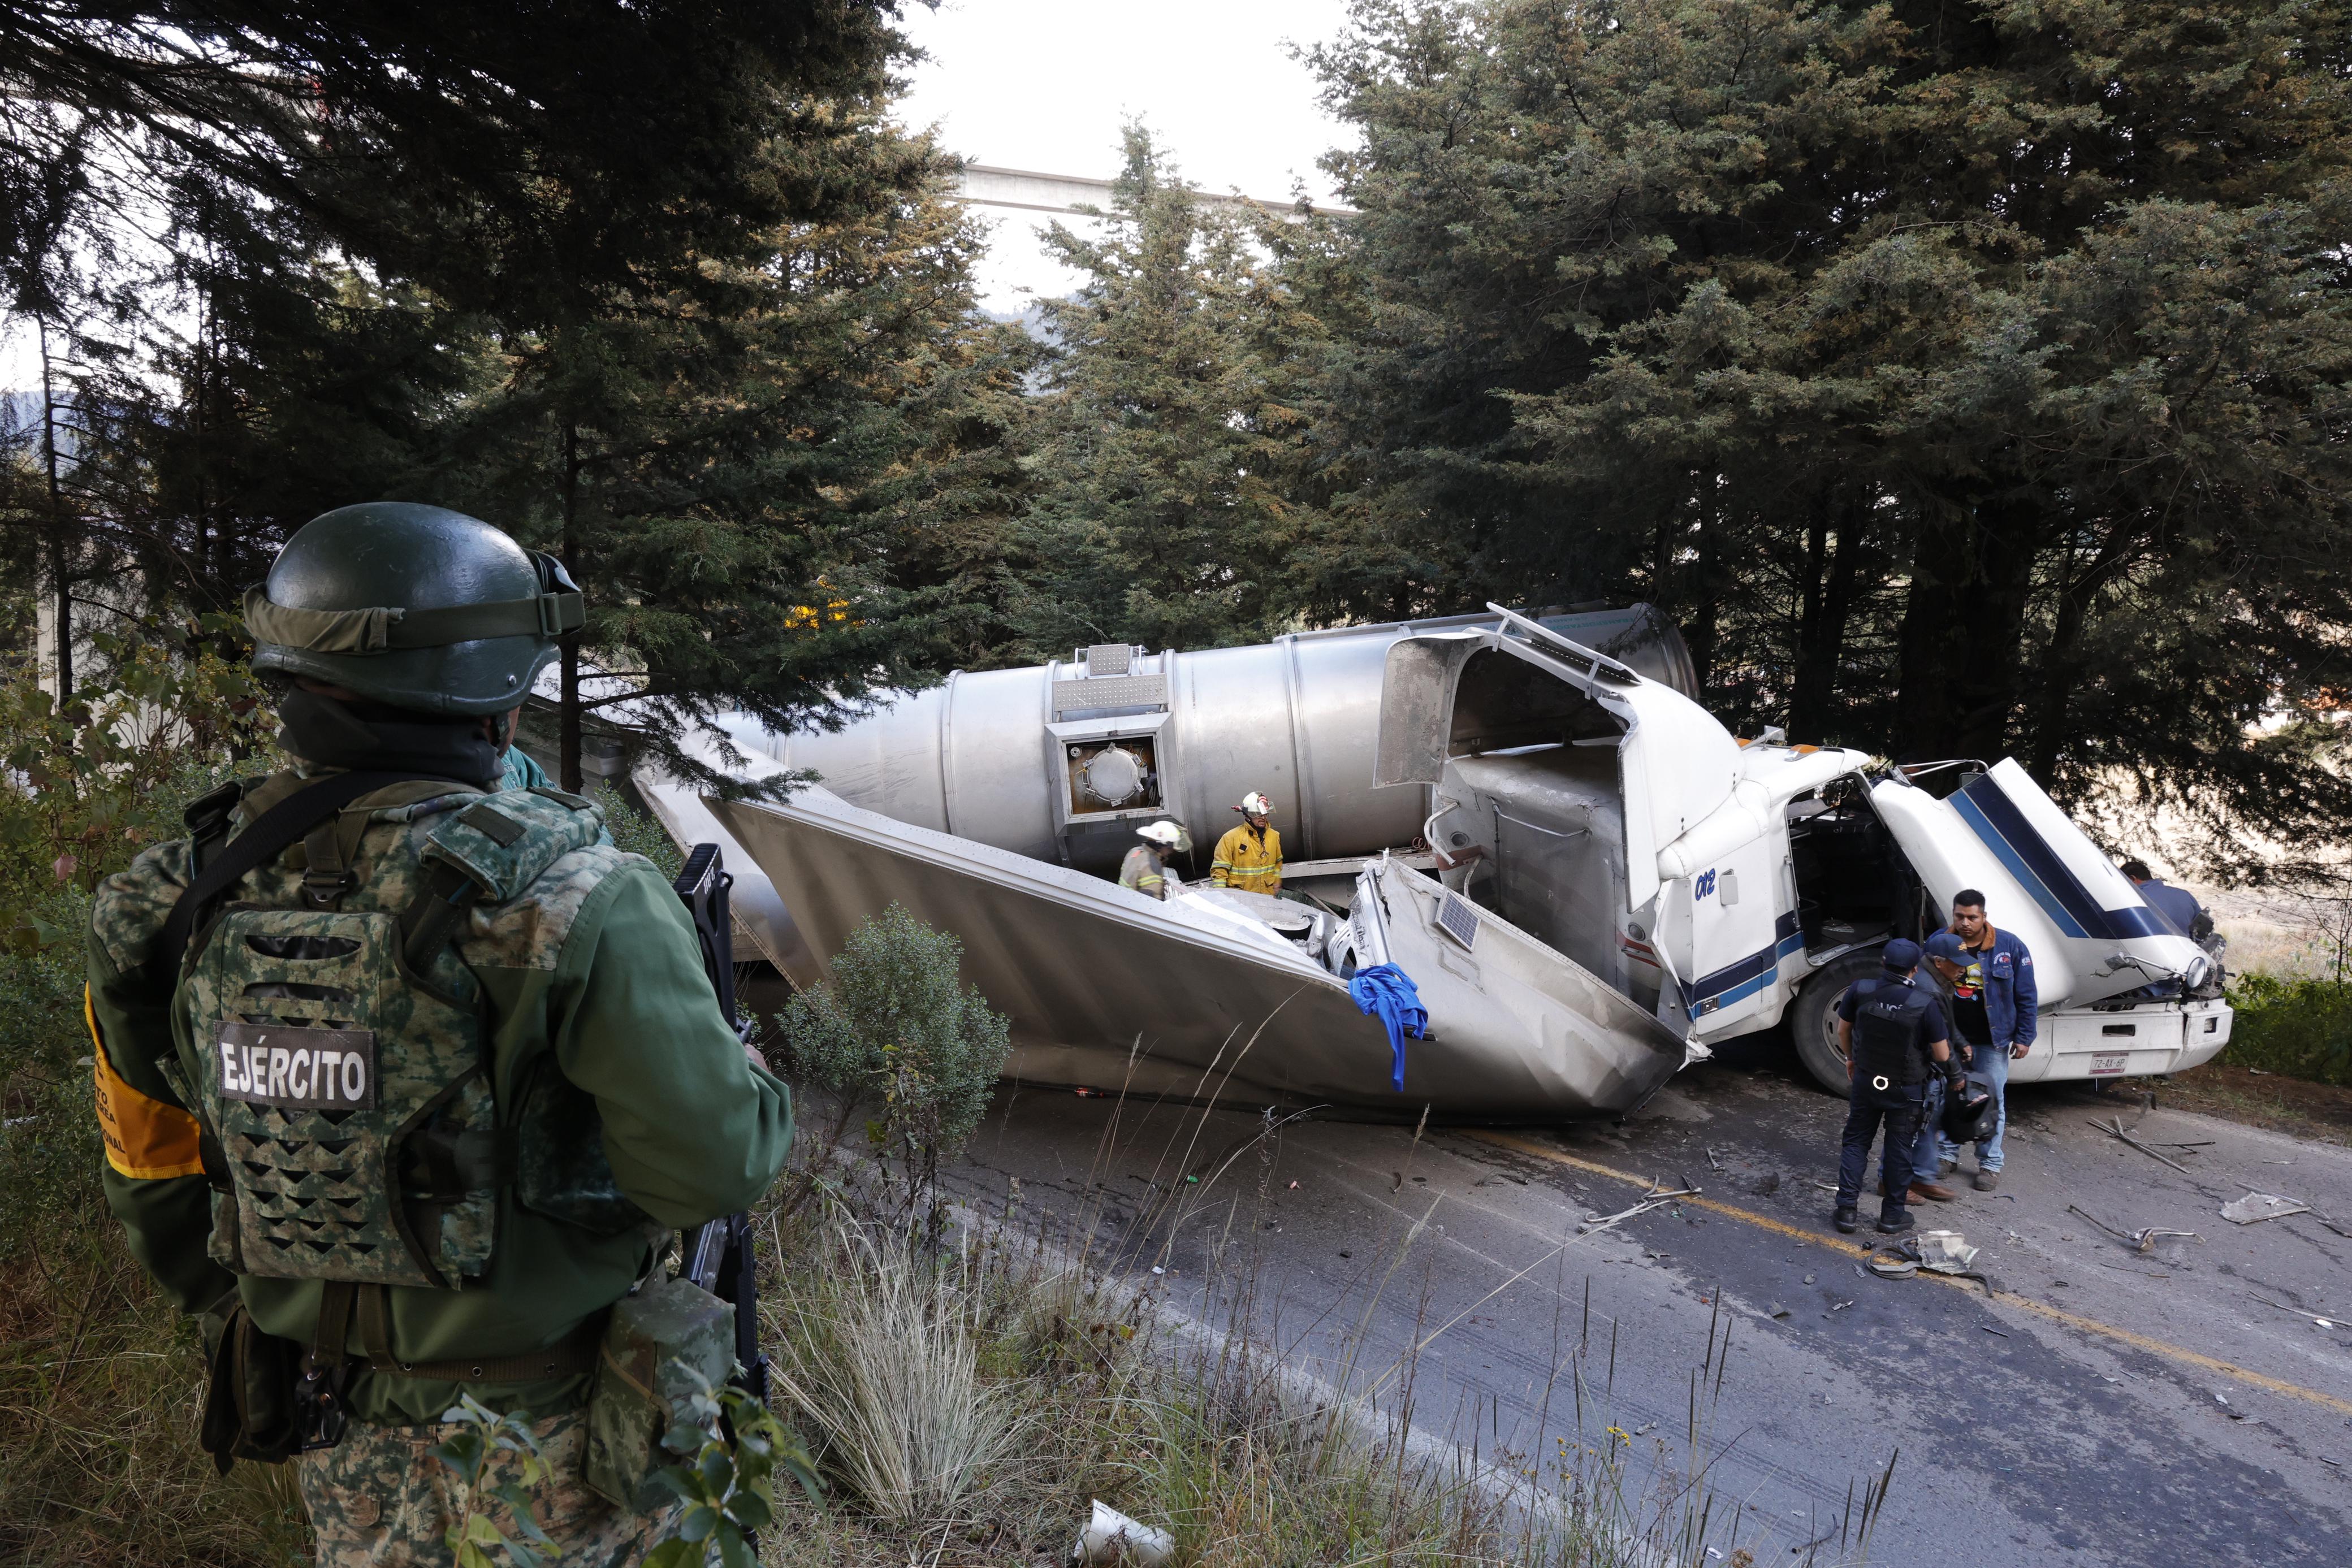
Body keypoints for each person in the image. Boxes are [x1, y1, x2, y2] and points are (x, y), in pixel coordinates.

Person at [85, 503, 794, 1565]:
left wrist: (279, 1302)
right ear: (501, 698)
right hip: (558, 1432)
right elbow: (713, 1163)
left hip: (334, 1423)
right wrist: (741, 1063)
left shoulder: (169, 895)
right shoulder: (577, 896)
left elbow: (150, 1161)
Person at [1833, 938, 1965, 1236]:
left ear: (1883, 962)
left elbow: (1844, 1028)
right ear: (1915, 969)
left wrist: (1851, 1059)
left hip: (1866, 1081)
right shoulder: (1924, 1003)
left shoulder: (1861, 989)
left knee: (1856, 1143)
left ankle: (1846, 1213)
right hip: (1906, 1090)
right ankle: (1892, 1216)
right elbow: (1943, 1054)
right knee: (1899, 1149)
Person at [1924, 889, 2038, 1191]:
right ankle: (1947, 1155)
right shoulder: (1940, 942)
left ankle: (1990, 1164)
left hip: (1992, 1039)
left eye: (1972, 917)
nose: (1965, 923)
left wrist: (2025, 1036)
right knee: (1949, 1097)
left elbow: (2026, 994)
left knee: (1992, 1101)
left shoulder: (2009, 946)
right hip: (1948, 1038)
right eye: (1959, 916)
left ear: (1984, 917)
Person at [1210, 790, 1283, 894]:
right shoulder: (1230, 838)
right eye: (1258, 814)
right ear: (1248, 816)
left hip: (1267, 897)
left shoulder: (1274, 836)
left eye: (1265, 814)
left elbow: (1278, 862)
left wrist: (1276, 881)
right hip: (1241, 900)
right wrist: (1221, 896)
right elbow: (1219, 872)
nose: (1263, 818)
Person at [2121, 857, 2206, 939]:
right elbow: (2202, 931)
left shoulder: (2133, 900)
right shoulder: (2185, 895)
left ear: (2132, 879)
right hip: (2186, 951)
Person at [1120, 820, 1191, 899]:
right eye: (1170, 847)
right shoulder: (1152, 863)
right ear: (1162, 844)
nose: (1172, 851)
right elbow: (1153, 899)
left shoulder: (1135, 852)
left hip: (1124, 899)